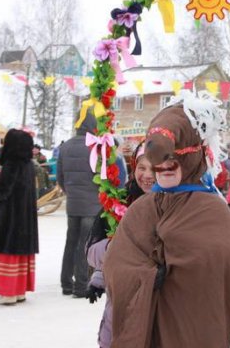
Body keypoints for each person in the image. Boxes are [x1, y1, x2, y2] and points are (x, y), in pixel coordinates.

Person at [103, 94, 230, 347]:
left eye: (173, 160)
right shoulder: (143, 208)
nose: (164, 168)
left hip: (192, 331)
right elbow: (117, 265)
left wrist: (181, 268)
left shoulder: (212, 211)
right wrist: (145, 276)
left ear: (192, 156)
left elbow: (227, 271)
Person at [85, 141, 155, 348]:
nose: (147, 175)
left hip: (157, 298)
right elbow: (94, 250)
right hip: (121, 295)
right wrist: (100, 276)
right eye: (142, 168)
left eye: (154, 168)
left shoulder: (174, 204)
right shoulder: (121, 201)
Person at [57, 111, 127, 298]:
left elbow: (60, 177)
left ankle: (65, 282)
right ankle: (80, 284)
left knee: (70, 241)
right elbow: (105, 177)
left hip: (72, 203)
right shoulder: (96, 147)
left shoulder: (65, 147)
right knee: (84, 243)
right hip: (91, 203)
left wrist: (71, 192)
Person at [0, 129, 39, 305]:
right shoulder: (29, 165)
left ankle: (8, 292)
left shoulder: (12, 163)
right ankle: (19, 290)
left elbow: (2, 190)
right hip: (25, 216)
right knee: (21, 251)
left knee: (9, 250)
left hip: (10, 216)